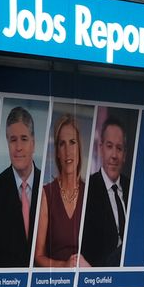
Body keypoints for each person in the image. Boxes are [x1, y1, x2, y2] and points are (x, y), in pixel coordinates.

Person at [0, 106, 40, 268]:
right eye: (13, 140)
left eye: (24, 139)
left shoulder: (47, 187)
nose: (18, 147)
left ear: (33, 143)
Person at [79, 115, 131, 268]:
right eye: (109, 146)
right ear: (100, 149)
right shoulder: (87, 190)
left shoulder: (133, 188)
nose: (114, 155)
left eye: (119, 148)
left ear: (124, 155)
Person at [36, 114, 85, 268]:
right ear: (57, 151)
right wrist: (64, 266)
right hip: (57, 279)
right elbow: (38, 257)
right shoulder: (46, 194)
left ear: (79, 148)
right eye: (62, 144)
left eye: (72, 142)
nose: (68, 151)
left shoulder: (90, 194)